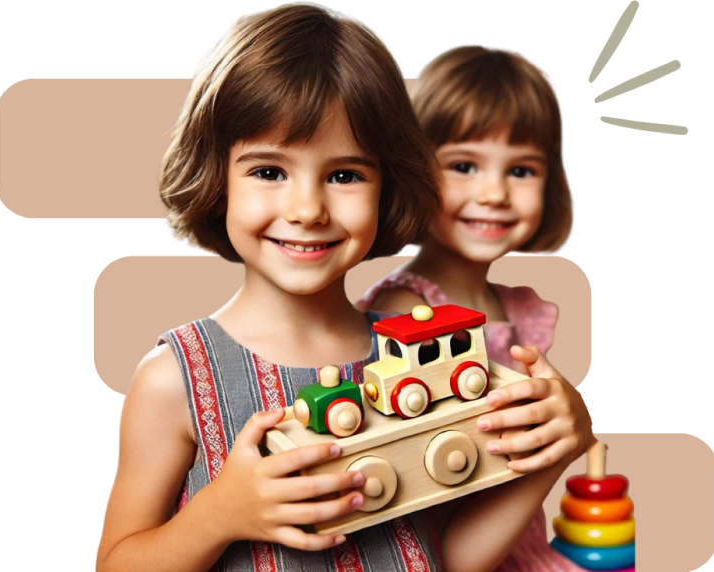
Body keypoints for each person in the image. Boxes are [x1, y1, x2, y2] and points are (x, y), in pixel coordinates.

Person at [94, 3, 444, 571]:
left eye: (344, 175)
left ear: (388, 187)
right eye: (269, 171)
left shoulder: (409, 357)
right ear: (218, 179)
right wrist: (218, 515)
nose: (307, 209)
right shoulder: (174, 378)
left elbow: (442, 555)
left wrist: (557, 448)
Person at [356, 43, 596, 571]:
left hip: (522, 544)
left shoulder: (517, 308)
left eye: (522, 170)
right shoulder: (402, 309)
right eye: (465, 165)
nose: (494, 193)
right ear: (414, 170)